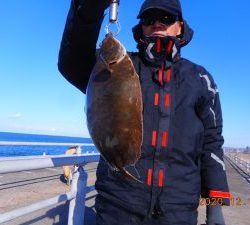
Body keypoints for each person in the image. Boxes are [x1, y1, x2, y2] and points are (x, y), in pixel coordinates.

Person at [58, 0, 231, 224]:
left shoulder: (201, 79)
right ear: (141, 27)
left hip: (179, 211)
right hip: (117, 206)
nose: (157, 23)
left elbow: (211, 143)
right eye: (149, 19)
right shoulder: (118, 66)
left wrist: (215, 207)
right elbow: (72, 62)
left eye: (166, 18)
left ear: (180, 26)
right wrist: (87, 11)